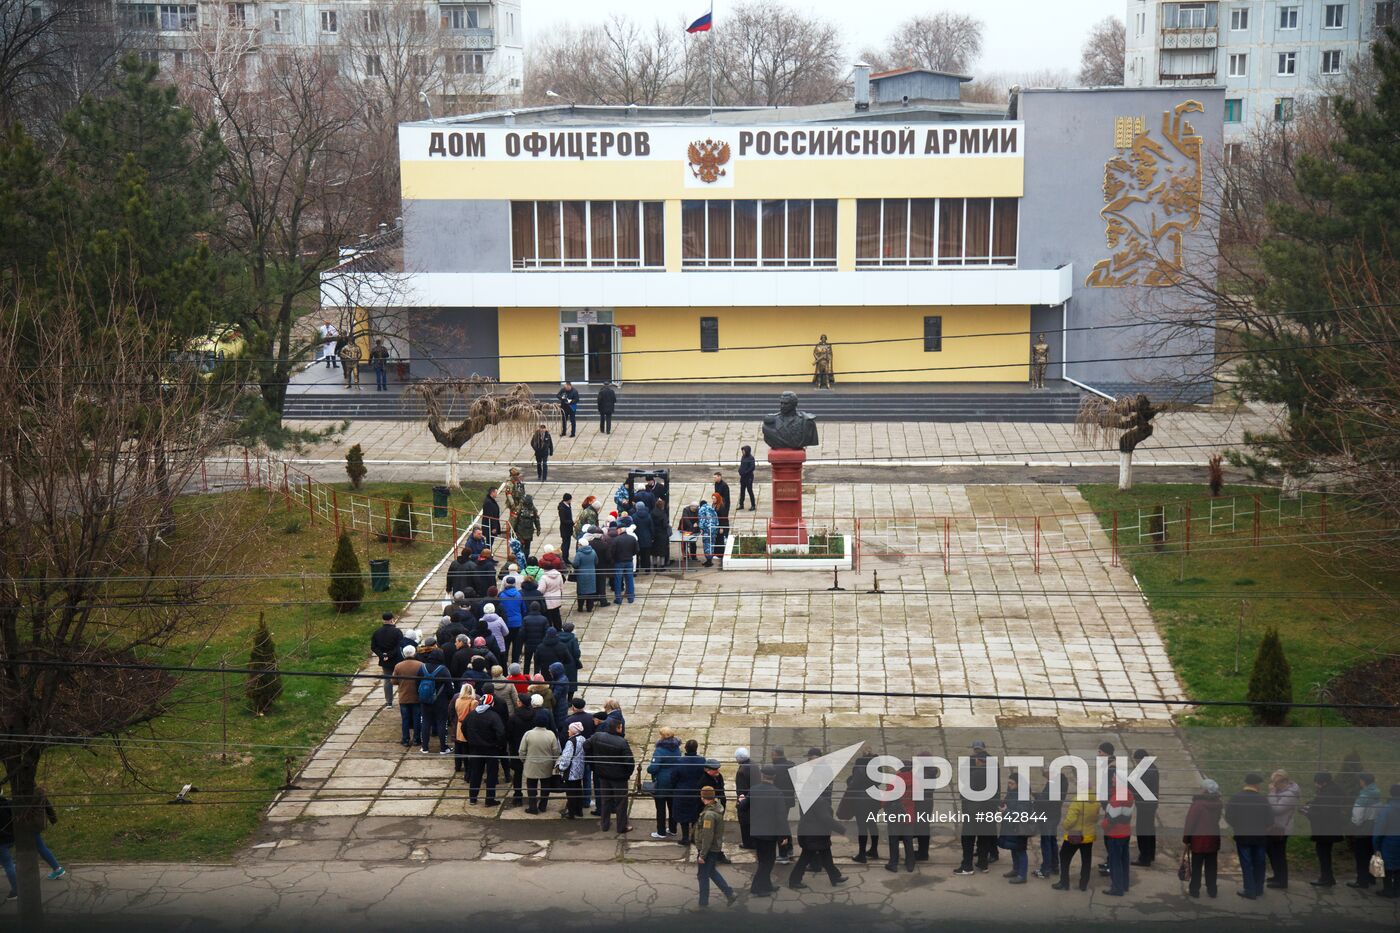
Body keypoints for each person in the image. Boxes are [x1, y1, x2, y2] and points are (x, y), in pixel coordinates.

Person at [788, 748, 849, 890]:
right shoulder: (817, 798)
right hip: (814, 833)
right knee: (805, 859)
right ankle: (794, 880)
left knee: (826, 855)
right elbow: (825, 818)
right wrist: (842, 829)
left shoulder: (814, 792)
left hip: (814, 831)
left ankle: (835, 877)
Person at [1225, 772, 1272, 899]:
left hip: (1243, 836)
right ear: (1257, 785)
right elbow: (1270, 820)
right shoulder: (1263, 799)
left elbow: (1228, 817)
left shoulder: (1235, 797)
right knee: (1260, 862)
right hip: (1260, 837)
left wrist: (1237, 826)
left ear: (1246, 783)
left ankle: (1249, 890)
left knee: (1247, 863)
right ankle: (1259, 889)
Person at [586, 718, 634, 834]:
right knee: (621, 802)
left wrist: (593, 763)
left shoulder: (597, 736)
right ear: (618, 728)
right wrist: (627, 774)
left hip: (602, 774)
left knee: (605, 800)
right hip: (618, 777)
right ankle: (621, 826)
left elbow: (586, 746)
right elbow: (629, 762)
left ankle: (605, 824)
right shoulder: (622, 742)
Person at [693, 786, 738, 908]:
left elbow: (707, 836)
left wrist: (702, 854)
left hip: (707, 849)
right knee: (711, 871)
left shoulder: (708, 815)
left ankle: (703, 904)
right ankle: (729, 893)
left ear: (703, 797)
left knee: (702, 876)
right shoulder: (717, 808)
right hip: (713, 848)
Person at [749, 764, 788, 897]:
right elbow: (781, 817)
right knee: (768, 862)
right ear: (774, 777)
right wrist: (783, 836)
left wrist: (741, 800)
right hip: (769, 834)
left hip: (756, 832)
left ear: (762, 775)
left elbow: (743, 807)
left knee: (762, 861)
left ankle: (767, 885)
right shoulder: (777, 793)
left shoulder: (753, 789)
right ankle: (756, 887)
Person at [1182, 777, 1223, 898]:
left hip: (1199, 841)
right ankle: (1212, 890)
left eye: (1201, 788)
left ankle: (1194, 890)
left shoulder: (1198, 805)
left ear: (1205, 791)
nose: (1199, 790)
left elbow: (1190, 823)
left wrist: (1186, 839)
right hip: (1213, 839)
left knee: (1197, 866)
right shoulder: (1218, 803)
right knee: (1211, 866)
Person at [1305, 771, 1348, 887]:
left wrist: (1307, 812)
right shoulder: (1333, 790)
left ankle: (1326, 878)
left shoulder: (1327, 793)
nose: (1316, 785)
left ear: (1322, 782)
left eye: (1317, 783)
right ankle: (1328, 877)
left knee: (1323, 854)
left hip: (1324, 830)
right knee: (1326, 853)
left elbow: (1324, 814)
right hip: (1332, 829)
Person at [1052, 784, 1097, 892]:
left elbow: (1070, 821)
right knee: (1086, 860)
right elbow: (1095, 818)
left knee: (1064, 857)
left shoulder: (1077, 801)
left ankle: (1064, 883)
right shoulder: (1095, 800)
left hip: (1075, 835)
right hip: (1088, 835)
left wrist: (1064, 825)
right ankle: (1083, 884)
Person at [463, 693, 505, 804]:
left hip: (475, 749)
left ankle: (473, 798)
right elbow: (501, 733)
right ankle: (489, 800)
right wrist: (498, 744)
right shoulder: (494, 716)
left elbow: (464, 728)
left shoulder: (472, 715)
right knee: (491, 775)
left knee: (475, 774)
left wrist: (470, 740)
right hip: (491, 749)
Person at [520, 709, 561, 814]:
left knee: (531, 785)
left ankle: (532, 807)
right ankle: (543, 805)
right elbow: (556, 751)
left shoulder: (528, 734)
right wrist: (554, 761)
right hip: (546, 764)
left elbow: (522, 750)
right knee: (545, 785)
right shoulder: (551, 734)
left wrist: (524, 760)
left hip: (531, 764)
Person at [845, 745, 881, 863]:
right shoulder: (877, 765)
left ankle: (861, 854)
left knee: (862, 826)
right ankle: (874, 850)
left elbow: (856, 781)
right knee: (872, 824)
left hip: (861, 798)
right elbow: (879, 781)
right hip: (874, 797)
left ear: (862, 754)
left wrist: (849, 781)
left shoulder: (860, 764)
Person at [1100, 773, 1134, 896]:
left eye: (1114, 778)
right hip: (1125, 832)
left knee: (1115, 863)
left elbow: (1112, 818)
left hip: (1115, 834)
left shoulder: (1118, 796)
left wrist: (1103, 825)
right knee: (1124, 861)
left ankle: (1117, 888)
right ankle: (1124, 885)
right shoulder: (1128, 793)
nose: (1112, 780)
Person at [1266, 769, 1301, 889]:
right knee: (1272, 852)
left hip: (1281, 829)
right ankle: (1277, 876)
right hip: (1275, 827)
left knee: (1279, 854)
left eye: (1275, 783)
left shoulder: (1289, 795)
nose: (1273, 785)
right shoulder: (1281, 791)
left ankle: (1282, 881)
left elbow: (1276, 809)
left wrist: (1271, 793)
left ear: (1284, 781)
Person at [998, 772, 1033, 884]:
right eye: (1008, 783)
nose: (1009, 785)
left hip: (1019, 828)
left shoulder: (1023, 797)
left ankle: (1022, 875)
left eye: (1012, 783)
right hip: (1011, 827)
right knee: (1014, 849)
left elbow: (1022, 814)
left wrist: (1006, 811)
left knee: (1020, 851)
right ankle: (1016, 869)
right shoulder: (1012, 793)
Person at [672, 739, 708, 847]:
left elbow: (673, 777)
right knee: (695, 815)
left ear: (686, 748)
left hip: (682, 791)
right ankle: (693, 836)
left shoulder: (679, 761)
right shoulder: (702, 760)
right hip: (697, 792)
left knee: (683, 816)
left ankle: (685, 837)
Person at [1351, 772, 1383, 889]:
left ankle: (1361, 881)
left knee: (1361, 856)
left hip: (1363, 829)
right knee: (1374, 854)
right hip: (1375, 827)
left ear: (1363, 781)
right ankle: (1373, 877)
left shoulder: (1363, 797)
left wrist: (1355, 825)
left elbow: (1358, 817)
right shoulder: (1378, 794)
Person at [648, 729, 682, 839]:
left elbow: (653, 768)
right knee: (672, 806)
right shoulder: (677, 748)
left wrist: (649, 768)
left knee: (661, 808)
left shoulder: (659, 751)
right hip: (674, 781)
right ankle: (673, 829)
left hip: (661, 783)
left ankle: (661, 831)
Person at [1034, 767, 1066, 879]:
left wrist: (1035, 797)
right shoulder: (1062, 781)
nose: (1044, 777)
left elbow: (1046, 801)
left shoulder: (1053, 783)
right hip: (1055, 815)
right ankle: (1054, 865)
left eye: (1045, 774)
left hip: (1048, 816)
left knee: (1046, 842)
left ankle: (1045, 869)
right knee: (1052, 840)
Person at [502, 692, 532, 808]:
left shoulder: (514, 717)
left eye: (518, 701)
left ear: (521, 703)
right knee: (531, 775)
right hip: (530, 748)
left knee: (518, 774)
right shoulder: (534, 715)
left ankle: (518, 796)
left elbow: (508, 733)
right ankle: (532, 796)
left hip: (516, 748)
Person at [390, 645, 424, 747]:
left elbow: (393, 681)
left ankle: (405, 739)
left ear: (404, 654)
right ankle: (416, 739)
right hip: (417, 697)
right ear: (414, 653)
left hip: (404, 696)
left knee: (405, 719)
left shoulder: (398, 666)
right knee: (417, 718)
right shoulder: (421, 665)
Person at [1131, 748, 1159, 866]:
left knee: (1143, 831)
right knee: (1149, 830)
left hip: (1145, 805)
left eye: (1137, 761)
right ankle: (1150, 855)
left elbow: (1138, 786)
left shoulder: (1147, 771)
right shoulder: (1151, 768)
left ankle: (1144, 858)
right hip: (1150, 804)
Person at [421, 657, 454, 755]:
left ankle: (425, 747)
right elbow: (449, 687)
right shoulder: (443, 669)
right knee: (441, 723)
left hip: (425, 700)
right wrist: (448, 698)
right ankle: (443, 748)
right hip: (440, 701)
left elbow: (417, 683)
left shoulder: (422, 667)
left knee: (425, 723)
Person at [555, 721, 588, 819]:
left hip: (571, 772)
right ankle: (579, 811)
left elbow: (566, 758)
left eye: (569, 730)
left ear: (573, 731)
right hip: (579, 770)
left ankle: (571, 813)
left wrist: (560, 767)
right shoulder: (583, 739)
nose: (568, 731)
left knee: (571, 793)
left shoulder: (571, 742)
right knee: (578, 790)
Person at [370, 613, 402, 708]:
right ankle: (403, 700)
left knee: (388, 681)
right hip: (396, 660)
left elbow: (373, 647)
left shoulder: (377, 632)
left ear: (383, 620)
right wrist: (390, 655)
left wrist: (382, 655)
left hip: (385, 661)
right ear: (392, 619)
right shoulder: (397, 632)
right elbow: (399, 646)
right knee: (402, 680)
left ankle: (389, 702)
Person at [1374, 783, 1400, 898]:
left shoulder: (1386, 810)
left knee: (1388, 867)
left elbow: (1379, 830)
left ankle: (1388, 890)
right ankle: (1397, 890)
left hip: (1389, 842)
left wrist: (1376, 846)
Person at [611, 521, 638, 604]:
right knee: (630, 579)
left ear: (619, 530)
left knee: (618, 580)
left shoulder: (616, 540)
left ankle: (618, 599)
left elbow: (612, 552)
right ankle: (630, 598)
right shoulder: (632, 538)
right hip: (629, 561)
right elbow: (636, 550)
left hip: (619, 562)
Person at [521, 600, 550, 675]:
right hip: (539, 645)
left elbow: (522, 633)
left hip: (528, 644)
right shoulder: (544, 619)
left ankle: (526, 677)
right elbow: (547, 632)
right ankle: (536, 678)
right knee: (538, 663)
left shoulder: (525, 619)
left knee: (527, 662)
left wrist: (524, 641)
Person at [572, 536, 598, 612]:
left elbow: (575, 564)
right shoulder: (593, 552)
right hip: (591, 574)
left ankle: (580, 607)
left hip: (581, 575)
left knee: (581, 592)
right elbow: (596, 562)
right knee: (590, 592)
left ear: (581, 545)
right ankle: (589, 608)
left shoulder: (579, 554)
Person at [514, 495, 541, 562]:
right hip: (520, 531)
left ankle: (526, 558)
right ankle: (519, 559)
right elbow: (515, 520)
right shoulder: (520, 508)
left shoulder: (533, 509)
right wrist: (514, 529)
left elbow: (536, 519)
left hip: (529, 532)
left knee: (527, 547)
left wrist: (538, 529)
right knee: (520, 547)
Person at [632, 499, 653, 574]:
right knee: (646, 555)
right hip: (647, 538)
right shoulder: (648, 516)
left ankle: (636, 569)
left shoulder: (634, 516)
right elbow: (651, 527)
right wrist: (652, 537)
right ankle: (647, 570)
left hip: (638, 538)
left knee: (637, 554)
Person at [697, 498, 719, 568]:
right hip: (714, 529)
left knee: (707, 544)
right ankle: (710, 560)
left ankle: (708, 561)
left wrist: (701, 529)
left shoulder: (701, 509)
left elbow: (701, 521)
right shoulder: (711, 508)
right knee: (712, 544)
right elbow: (716, 519)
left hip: (707, 530)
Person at [649, 497, 670, 570]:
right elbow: (665, 524)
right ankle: (662, 565)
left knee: (654, 551)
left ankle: (654, 565)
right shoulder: (663, 514)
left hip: (654, 534)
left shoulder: (652, 512)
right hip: (662, 534)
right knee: (662, 551)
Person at [712, 473, 731, 546]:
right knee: (719, 517)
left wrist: (722, 506)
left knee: (724, 518)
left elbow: (726, 497)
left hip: (724, 504)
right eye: (714, 478)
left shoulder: (724, 485)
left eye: (716, 477)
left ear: (720, 477)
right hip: (718, 502)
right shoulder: (716, 484)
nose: (715, 479)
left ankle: (725, 533)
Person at [737, 446, 756, 511]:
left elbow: (752, 467)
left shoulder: (751, 458)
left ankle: (753, 505)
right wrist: (739, 470)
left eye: (744, 451)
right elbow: (742, 465)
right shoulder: (743, 457)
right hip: (743, 477)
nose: (743, 452)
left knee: (750, 491)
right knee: (742, 491)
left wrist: (745, 472)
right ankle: (741, 504)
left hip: (749, 477)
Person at [556, 494, 574, 563]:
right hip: (565, 529)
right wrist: (572, 522)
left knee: (567, 543)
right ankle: (564, 558)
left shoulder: (568, 505)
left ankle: (564, 556)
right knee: (565, 544)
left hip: (568, 529)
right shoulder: (562, 508)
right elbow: (563, 520)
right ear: (568, 499)